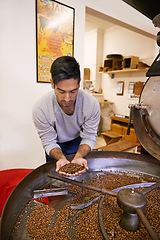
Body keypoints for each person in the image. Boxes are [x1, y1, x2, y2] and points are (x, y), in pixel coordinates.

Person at [33, 56, 100, 175]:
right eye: (61, 91)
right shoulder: (41, 108)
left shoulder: (91, 104)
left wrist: (79, 155)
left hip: (79, 142)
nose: (67, 98)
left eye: (73, 91)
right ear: (52, 84)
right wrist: (61, 158)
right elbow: (49, 141)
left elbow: (89, 136)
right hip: (55, 145)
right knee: (56, 180)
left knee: (81, 181)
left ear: (79, 83)